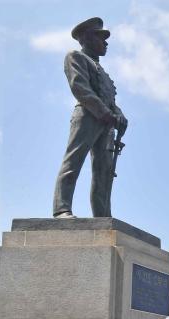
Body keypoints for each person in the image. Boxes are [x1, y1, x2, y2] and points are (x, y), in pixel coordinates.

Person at [52, 17, 127, 218]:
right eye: (100, 37)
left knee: (104, 172)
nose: (105, 42)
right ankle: (62, 209)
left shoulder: (101, 70)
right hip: (87, 116)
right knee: (73, 161)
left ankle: (102, 217)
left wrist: (118, 115)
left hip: (106, 122)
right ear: (86, 38)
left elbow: (109, 98)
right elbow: (80, 88)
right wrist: (105, 113)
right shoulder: (75, 57)